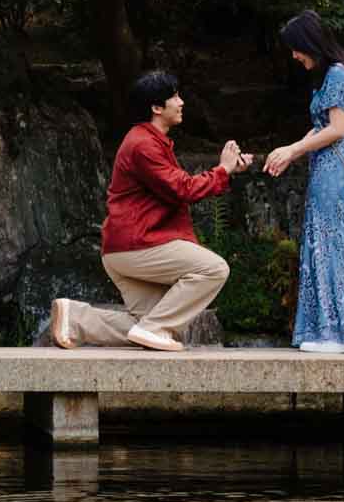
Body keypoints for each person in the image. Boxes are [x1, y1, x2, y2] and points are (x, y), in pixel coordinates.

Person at [50, 69, 243, 353]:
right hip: (138, 244)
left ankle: (78, 320)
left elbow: (177, 187)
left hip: (124, 248)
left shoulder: (149, 141)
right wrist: (222, 169)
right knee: (214, 269)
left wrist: (228, 170)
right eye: (174, 96)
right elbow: (184, 189)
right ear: (156, 107)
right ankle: (154, 328)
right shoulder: (143, 145)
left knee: (145, 326)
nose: (181, 102)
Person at [264, 10, 344, 354]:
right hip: (327, 168)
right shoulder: (337, 73)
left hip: (334, 173)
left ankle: (340, 334)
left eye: (296, 49)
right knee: (327, 245)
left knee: (333, 247)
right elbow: (324, 127)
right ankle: (331, 330)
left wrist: (293, 150)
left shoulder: (338, 75)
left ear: (310, 43)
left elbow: (337, 129)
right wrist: (289, 151)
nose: (295, 56)